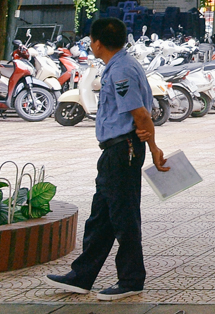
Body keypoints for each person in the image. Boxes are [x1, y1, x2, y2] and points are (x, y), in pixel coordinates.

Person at [47, 17, 169, 300]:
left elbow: (140, 115)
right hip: (115, 150)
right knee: (101, 217)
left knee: (124, 217)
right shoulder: (121, 65)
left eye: (91, 41)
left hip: (122, 151)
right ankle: (81, 276)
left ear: (98, 43)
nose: (91, 45)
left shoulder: (121, 71)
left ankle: (131, 280)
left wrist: (154, 149)